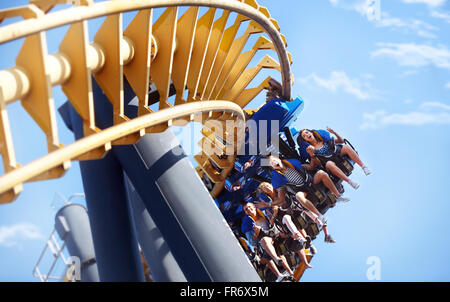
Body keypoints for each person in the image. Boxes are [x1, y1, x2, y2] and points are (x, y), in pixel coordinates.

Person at [258, 181, 335, 244]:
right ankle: (299, 238)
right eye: (264, 188)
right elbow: (271, 223)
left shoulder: (281, 190)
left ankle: (318, 221)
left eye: (267, 185)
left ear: (271, 185)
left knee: (301, 205)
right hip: (285, 216)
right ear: (265, 192)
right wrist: (274, 213)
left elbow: (292, 195)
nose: (267, 188)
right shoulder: (268, 206)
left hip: (293, 208)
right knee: (286, 218)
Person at [297, 128, 371, 190]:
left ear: (311, 132)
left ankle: (363, 167)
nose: (307, 135)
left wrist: (334, 132)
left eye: (307, 132)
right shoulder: (310, 149)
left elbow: (341, 141)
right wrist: (312, 154)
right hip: (328, 162)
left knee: (345, 147)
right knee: (329, 164)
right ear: (305, 140)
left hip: (337, 155)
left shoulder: (324, 140)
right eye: (304, 136)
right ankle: (350, 182)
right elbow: (316, 164)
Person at [241, 202, 295, 281]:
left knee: (278, 247)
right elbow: (252, 242)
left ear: (254, 207)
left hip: (274, 237)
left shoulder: (264, 215)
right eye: (246, 209)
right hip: (263, 243)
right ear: (245, 213)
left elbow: (273, 226)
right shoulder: (247, 225)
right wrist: (256, 235)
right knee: (265, 244)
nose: (249, 209)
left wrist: (272, 219)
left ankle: (290, 272)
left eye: (249, 207)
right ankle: (278, 273)